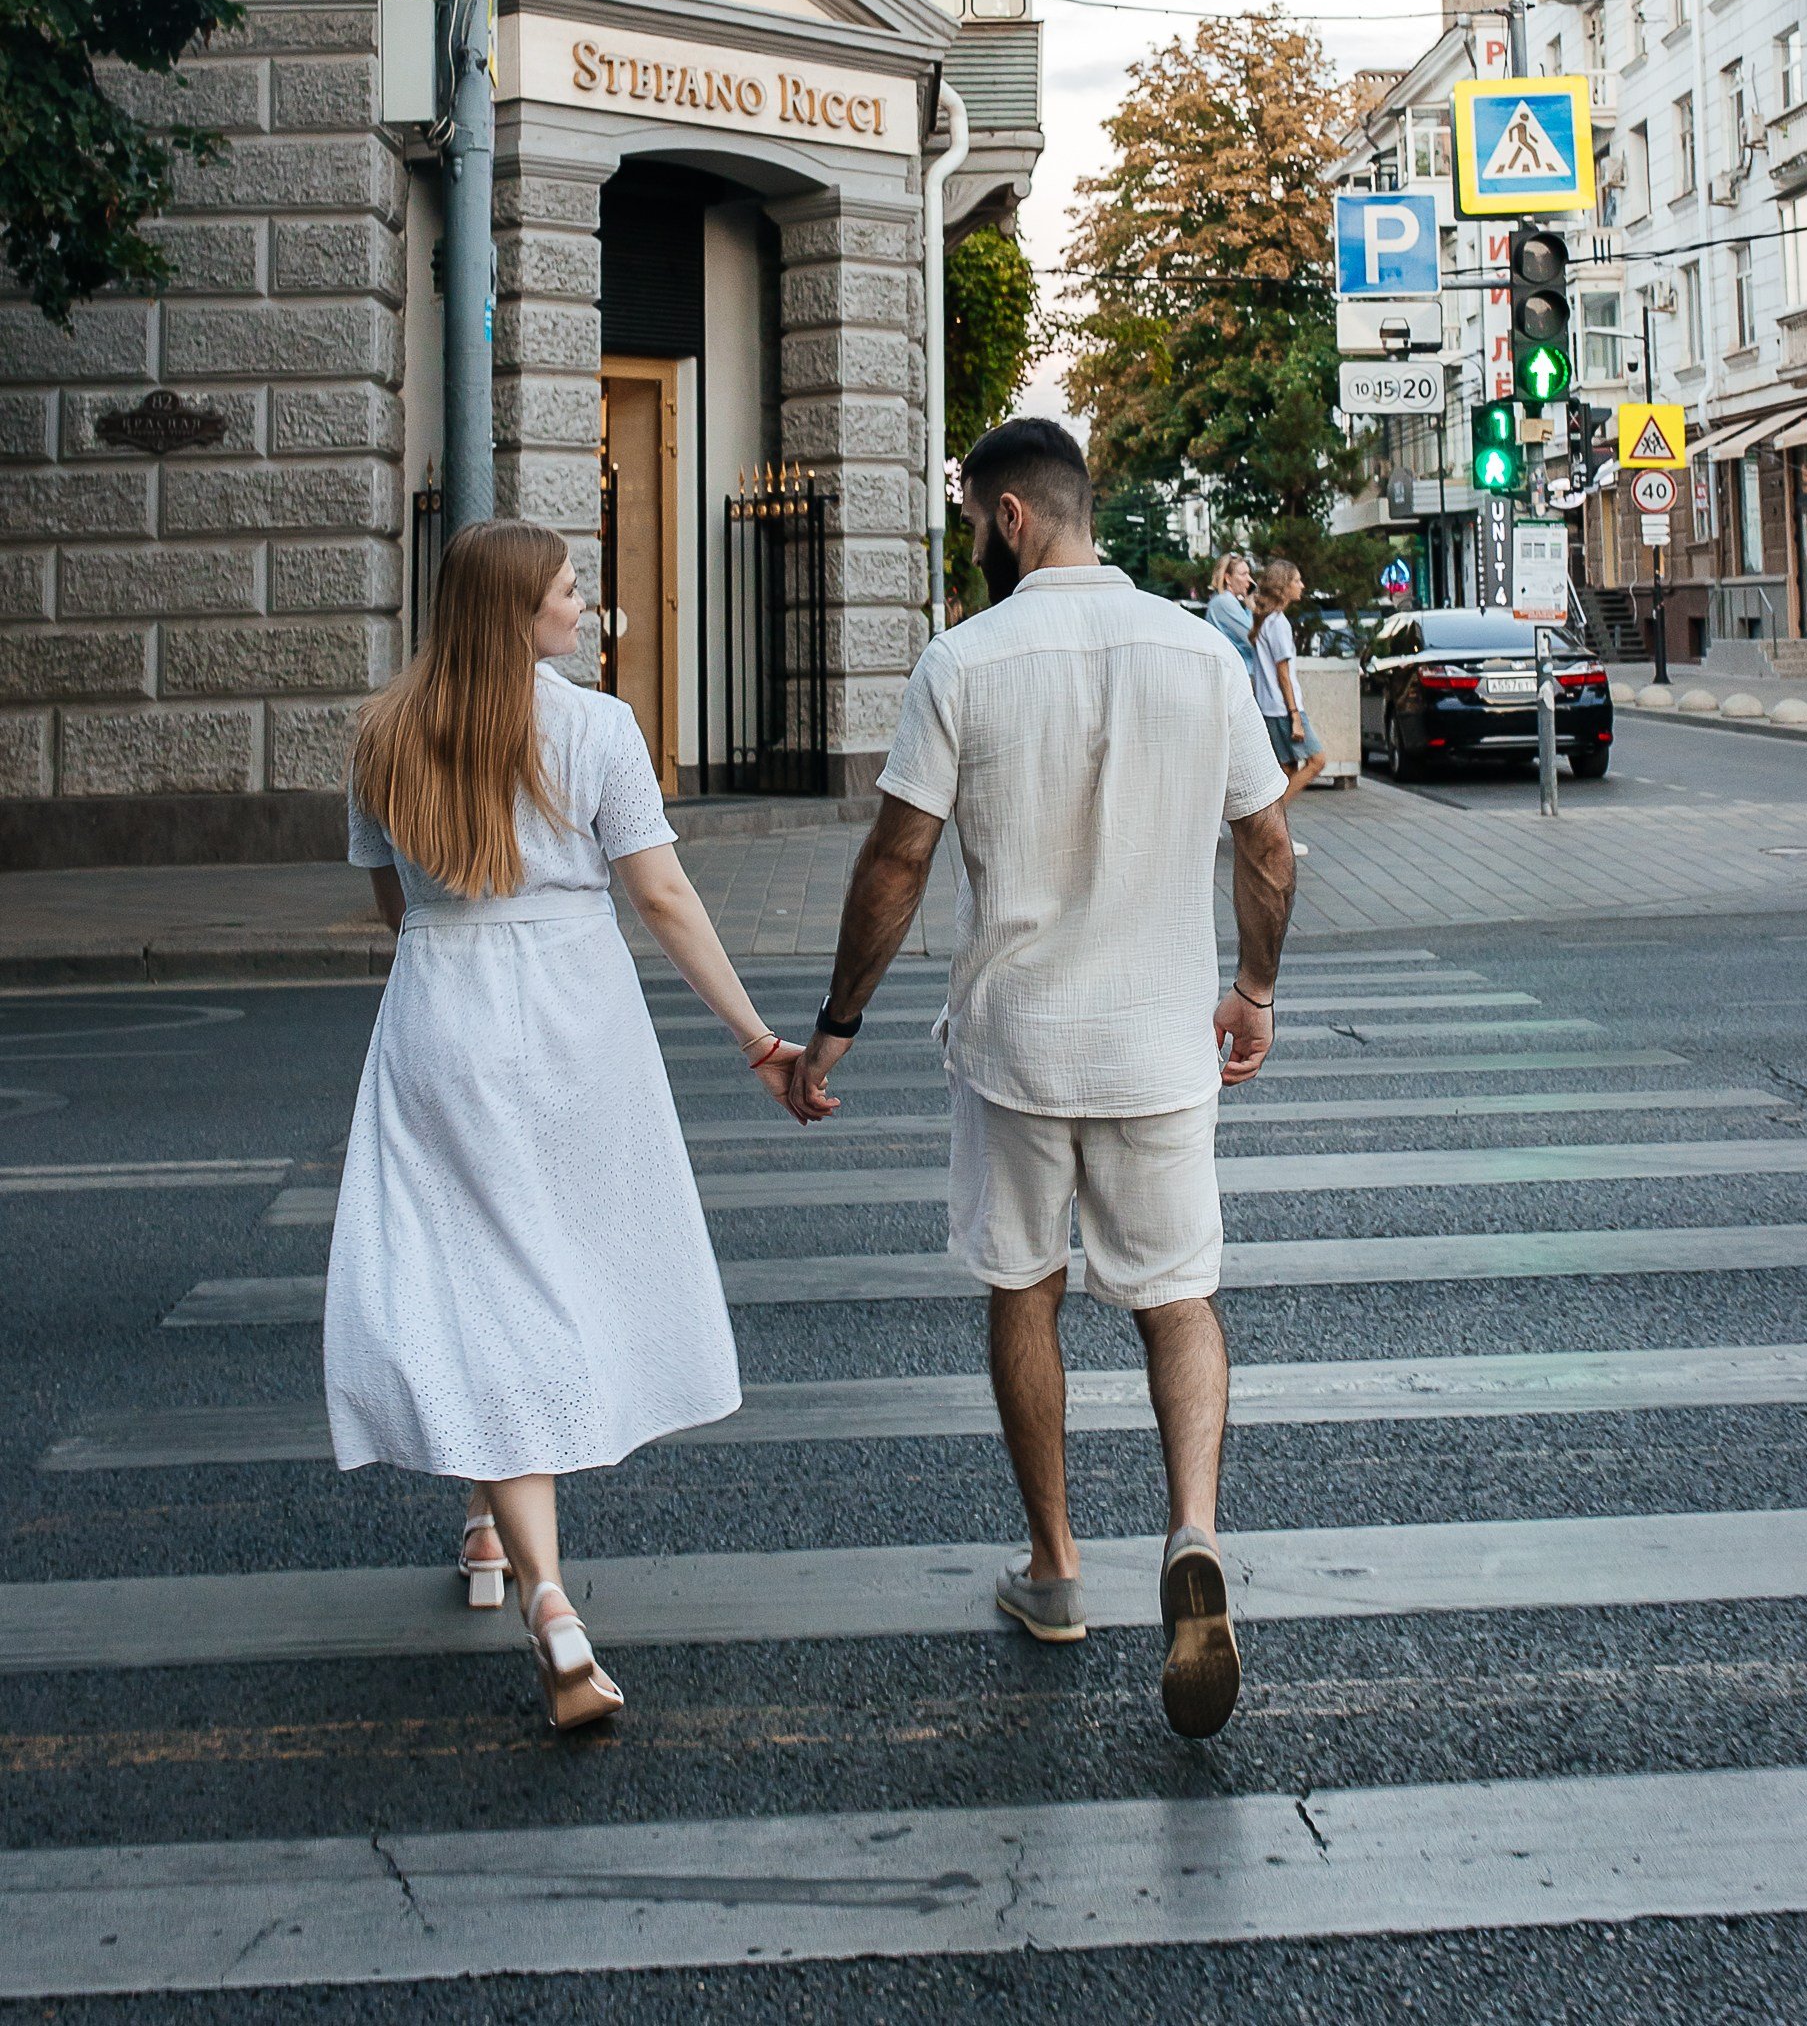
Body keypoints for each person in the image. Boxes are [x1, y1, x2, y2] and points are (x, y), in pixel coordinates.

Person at [787, 419, 1295, 1740]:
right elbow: (1271, 847)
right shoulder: (1200, 650)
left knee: (1027, 1289)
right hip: (1160, 1044)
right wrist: (1253, 992)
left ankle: (1058, 1569)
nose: (969, 538)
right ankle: (1193, 1533)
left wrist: (837, 1019)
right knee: (1178, 1304)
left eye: (970, 517)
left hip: (1016, 1045)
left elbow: (896, 860)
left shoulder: (965, 661)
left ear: (1011, 516)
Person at [327, 519, 807, 1733]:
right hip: (574, 1015)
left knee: (479, 1279)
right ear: (517, 614)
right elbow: (660, 894)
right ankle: (545, 1590)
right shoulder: (595, 728)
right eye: (565, 589)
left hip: (441, 1007)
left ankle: (505, 1547)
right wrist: (756, 1040)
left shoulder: (383, 733)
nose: (584, 605)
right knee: (553, 1271)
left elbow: (393, 898)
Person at [1250, 557, 1327, 848]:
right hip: (1283, 709)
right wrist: (1295, 714)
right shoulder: (1278, 624)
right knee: (1317, 761)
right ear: (1283, 587)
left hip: (1271, 708)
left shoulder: (1266, 621)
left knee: (1287, 771)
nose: (1302, 585)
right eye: (1296, 580)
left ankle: (1272, 832)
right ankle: (1267, 825)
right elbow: (1283, 673)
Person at [1204, 553, 1256, 682]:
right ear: (1228, 578)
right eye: (1243, 574)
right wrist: (1251, 607)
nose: (1249, 580)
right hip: (1237, 675)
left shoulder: (1228, 602)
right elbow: (1252, 637)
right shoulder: (1224, 602)